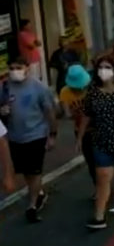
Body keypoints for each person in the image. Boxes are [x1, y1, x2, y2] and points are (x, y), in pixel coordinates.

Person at [78, 55, 114, 229]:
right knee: (103, 177)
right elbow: (86, 114)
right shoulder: (94, 90)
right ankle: (99, 216)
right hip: (102, 140)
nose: (103, 71)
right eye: (100, 67)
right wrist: (80, 136)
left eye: (107, 67)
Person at [0, 58, 57, 222]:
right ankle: (37, 191)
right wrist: (2, 111)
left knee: (34, 170)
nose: (15, 71)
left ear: (27, 68)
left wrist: (52, 135)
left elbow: (49, 111)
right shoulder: (4, 87)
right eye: (12, 67)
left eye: (18, 67)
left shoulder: (38, 88)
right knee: (26, 171)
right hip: (14, 137)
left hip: (36, 135)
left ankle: (32, 205)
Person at [60, 65, 94, 189]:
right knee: (91, 161)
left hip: (99, 128)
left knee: (102, 160)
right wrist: (75, 113)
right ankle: (98, 186)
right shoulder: (65, 92)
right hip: (81, 130)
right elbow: (67, 113)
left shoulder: (92, 88)